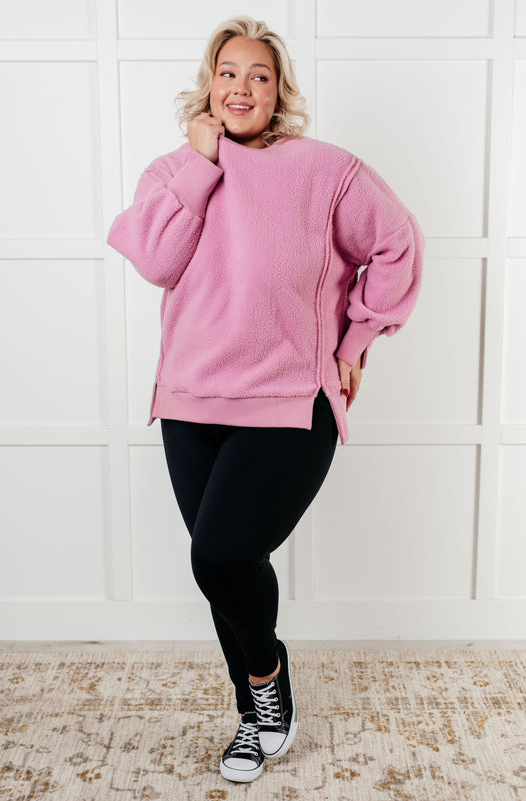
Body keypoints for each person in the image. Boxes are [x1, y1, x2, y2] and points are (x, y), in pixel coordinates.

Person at [107, 15, 424, 784]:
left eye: (258, 75)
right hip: (189, 401)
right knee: (224, 570)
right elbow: (155, 259)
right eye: (228, 73)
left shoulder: (324, 170)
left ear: (278, 90)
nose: (241, 87)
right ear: (208, 84)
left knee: (222, 554)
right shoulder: (174, 170)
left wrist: (353, 341)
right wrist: (200, 161)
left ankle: (263, 675)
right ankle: (257, 714)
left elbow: (397, 242)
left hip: (288, 401)